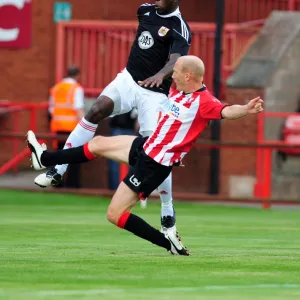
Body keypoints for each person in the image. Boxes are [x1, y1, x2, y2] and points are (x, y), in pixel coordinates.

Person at [27, 55, 264, 255]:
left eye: (177, 71)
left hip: (153, 164)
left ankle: (166, 243)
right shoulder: (177, 90)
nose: (172, 75)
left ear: (189, 76)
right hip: (145, 147)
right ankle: (44, 159)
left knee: (114, 214)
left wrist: (245, 109)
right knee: (97, 143)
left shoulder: (204, 102)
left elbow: (226, 110)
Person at [35, 0, 191, 237]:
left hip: (155, 93)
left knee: (157, 153)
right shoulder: (145, 10)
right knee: (96, 109)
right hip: (129, 79)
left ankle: (167, 211)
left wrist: (160, 75)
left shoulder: (180, 27)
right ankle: (58, 169)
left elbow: (175, 61)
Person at [48, 65, 85, 188]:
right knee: (74, 157)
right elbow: (79, 109)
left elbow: (51, 109)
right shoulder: (76, 88)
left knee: (59, 156)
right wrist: (86, 126)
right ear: (77, 75)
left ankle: (56, 183)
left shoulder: (56, 88)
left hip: (58, 127)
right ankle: (72, 185)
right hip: (72, 128)